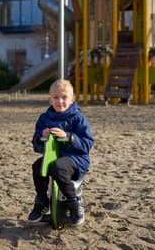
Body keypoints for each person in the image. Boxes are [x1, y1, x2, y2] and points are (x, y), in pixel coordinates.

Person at [28, 79, 94, 226]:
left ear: (72, 99)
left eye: (64, 97)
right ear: (50, 99)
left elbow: (87, 144)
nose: (60, 101)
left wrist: (68, 137)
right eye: (56, 97)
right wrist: (42, 138)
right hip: (54, 157)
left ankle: (74, 204)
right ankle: (41, 201)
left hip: (76, 159)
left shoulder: (78, 118)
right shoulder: (44, 119)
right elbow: (36, 145)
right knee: (38, 166)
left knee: (58, 167)